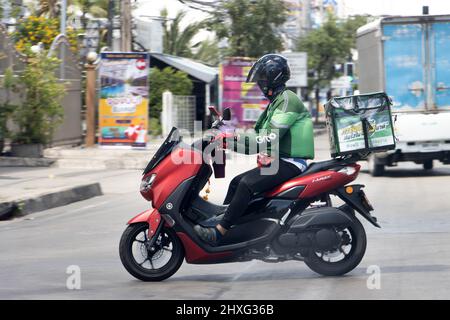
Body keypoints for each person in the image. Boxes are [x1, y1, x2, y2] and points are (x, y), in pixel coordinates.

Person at [194, 54, 315, 245]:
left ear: (271, 79)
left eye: (261, 80)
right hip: (279, 161)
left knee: (247, 185)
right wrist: (226, 139)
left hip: (291, 162)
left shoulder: (287, 101)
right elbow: (258, 140)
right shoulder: (276, 102)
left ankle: (220, 231)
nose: (259, 84)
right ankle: (231, 226)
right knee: (236, 181)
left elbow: (268, 138)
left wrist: (232, 138)